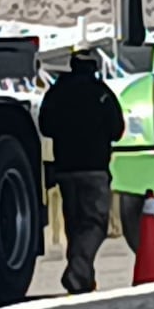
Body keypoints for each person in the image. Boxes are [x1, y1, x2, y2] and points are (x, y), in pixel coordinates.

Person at [38, 46, 125, 294]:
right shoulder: (101, 94)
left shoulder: (57, 93)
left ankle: (83, 279)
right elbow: (117, 129)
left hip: (65, 168)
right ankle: (77, 272)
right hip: (95, 167)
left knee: (74, 224)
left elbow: (45, 126)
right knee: (95, 223)